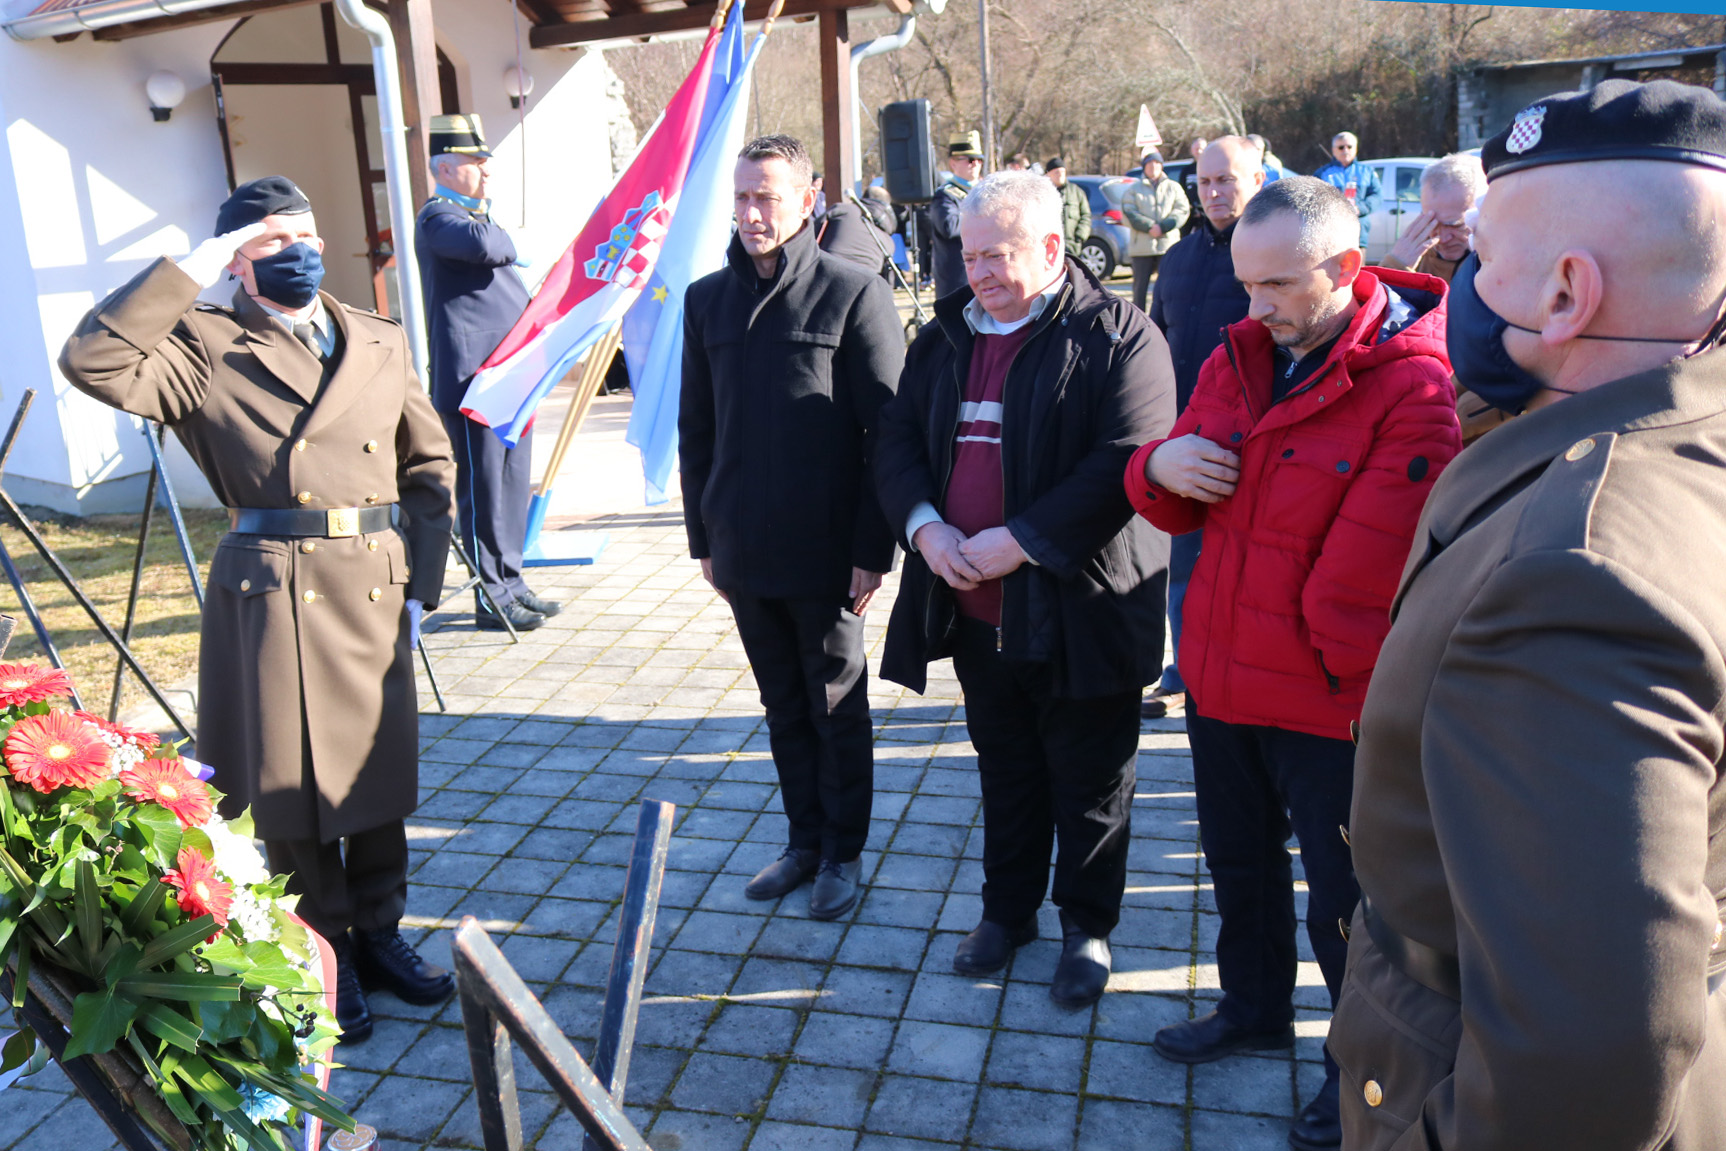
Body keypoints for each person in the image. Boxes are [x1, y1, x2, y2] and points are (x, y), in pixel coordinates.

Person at [1333, 78, 1726, 1151]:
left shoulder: (1574, 578)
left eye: (1483, 250)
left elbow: (1583, 1065)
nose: (1456, 276)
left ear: (1564, 295)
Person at [59, 176, 458, 1045]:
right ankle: (328, 951)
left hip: (374, 582)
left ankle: (383, 930)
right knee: (291, 785)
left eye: (305, 233)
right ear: (234, 258)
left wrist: (422, 582)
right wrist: (185, 270)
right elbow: (91, 360)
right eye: (272, 240)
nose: (298, 252)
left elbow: (429, 465)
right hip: (273, 587)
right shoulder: (198, 344)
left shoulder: (377, 337)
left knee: (375, 777)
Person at [1128, 176, 1459, 1151]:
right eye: (1242, 284)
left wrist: (1363, 707)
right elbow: (1172, 494)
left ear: (1347, 270)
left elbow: (1357, 589)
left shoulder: (1417, 382)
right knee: (1238, 866)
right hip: (1222, 676)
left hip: (1333, 702)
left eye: (1275, 285)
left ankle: (1354, 1067)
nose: (1254, 307)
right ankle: (1251, 1005)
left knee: (1347, 904)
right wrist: (1155, 468)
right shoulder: (1237, 355)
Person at [875, 170, 1176, 1007]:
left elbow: (1125, 460)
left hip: (1083, 606)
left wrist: (1020, 542)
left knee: (1090, 781)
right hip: (976, 610)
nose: (979, 272)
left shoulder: (1121, 334)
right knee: (1004, 770)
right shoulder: (944, 337)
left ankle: (1088, 927)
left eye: (997, 255)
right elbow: (896, 441)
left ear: (1051, 248)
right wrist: (927, 527)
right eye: (969, 255)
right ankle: (1006, 913)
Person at [680, 135, 904, 921]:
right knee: (782, 705)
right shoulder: (707, 299)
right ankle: (804, 840)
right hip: (742, 546)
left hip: (828, 552)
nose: (751, 212)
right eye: (742, 196)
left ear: (808, 198)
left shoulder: (853, 293)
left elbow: (890, 434)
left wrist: (873, 549)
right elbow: (697, 429)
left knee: (835, 704)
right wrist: (702, 537)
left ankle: (844, 851)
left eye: (767, 196)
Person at [415, 113, 560, 633]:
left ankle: (514, 582)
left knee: (513, 482)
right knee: (484, 491)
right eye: (476, 164)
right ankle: (491, 598)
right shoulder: (438, 217)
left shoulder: (471, 214)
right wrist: (508, 235)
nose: (485, 172)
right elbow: (489, 247)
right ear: (446, 168)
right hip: (474, 378)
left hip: (506, 374)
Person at [1142, 136, 1263, 719]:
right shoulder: (1180, 256)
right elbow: (1155, 344)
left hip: (1261, 446)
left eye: (1227, 180)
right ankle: (1187, 665)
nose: (1214, 192)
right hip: (1185, 441)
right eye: (1206, 181)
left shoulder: (1275, 256)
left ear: (1258, 181)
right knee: (1183, 568)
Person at [1376, 152, 1506, 445]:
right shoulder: (1418, 260)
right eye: (1431, 222)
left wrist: (1445, 419)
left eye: (1455, 225)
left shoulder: (1509, 269)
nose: (1442, 237)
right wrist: (1393, 271)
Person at [1120, 150, 1190, 312]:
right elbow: (1128, 212)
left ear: (1161, 166)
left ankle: (1167, 318)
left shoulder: (1174, 187)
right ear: (1144, 167)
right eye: (1149, 164)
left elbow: (1182, 210)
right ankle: (1138, 320)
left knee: (1168, 287)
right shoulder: (1134, 189)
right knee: (1139, 290)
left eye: (1156, 163)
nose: (1153, 167)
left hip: (1167, 246)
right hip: (1141, 248)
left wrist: (1164, 226)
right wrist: (1149, 227)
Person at [930, 131, 985, 298]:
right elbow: (949, 226)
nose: (975, 164)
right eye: (969, 160)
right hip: (957, 278)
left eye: (978, 160)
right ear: (953, 163)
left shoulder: (986, 190)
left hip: (986, 271)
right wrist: (984, 218)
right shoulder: (945, 195)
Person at [1313, 131, 1381, 250]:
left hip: (1359, 229)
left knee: (1359, 267)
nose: (1345, 150)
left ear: (1355, 148)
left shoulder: (1367, 172)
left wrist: (1360, 208)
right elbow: (1313, 198)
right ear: (1334, 150)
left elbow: (1377, 195)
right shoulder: (1322, 173)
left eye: (1349, 147)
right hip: (1331, 231)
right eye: (1341, 147)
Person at [1045, 158, 1092, 255]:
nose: (1060, 174)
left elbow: (1086, 216)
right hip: (1049, 246)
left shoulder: (1076, 192)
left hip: (1072, 246)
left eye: (1062, 171)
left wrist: (1080, 237)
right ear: (1049, 174)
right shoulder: (1044, 193)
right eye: (1056, 172)